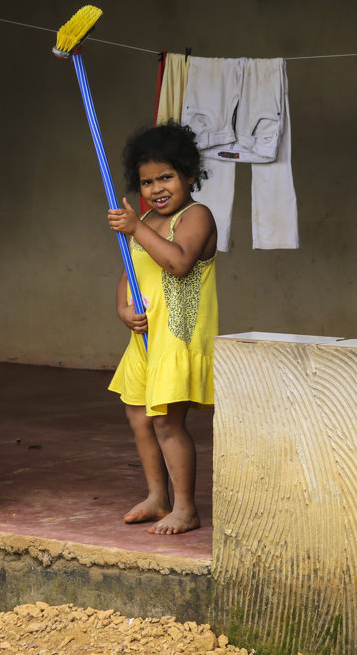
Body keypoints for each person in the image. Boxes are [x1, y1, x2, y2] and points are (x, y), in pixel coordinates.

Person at [106, 123, 218, 535]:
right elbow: (129, 272)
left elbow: (178, 262)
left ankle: (186, 507)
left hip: (177, 337)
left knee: (168, 422)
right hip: (144, 340)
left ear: (190, 175)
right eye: (146, 181)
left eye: (166, 177)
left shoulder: (196, 216)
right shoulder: (148, 219)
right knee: (139, 417)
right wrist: (122, 309)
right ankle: (157, 497)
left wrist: (135, 228)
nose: (156, 189)